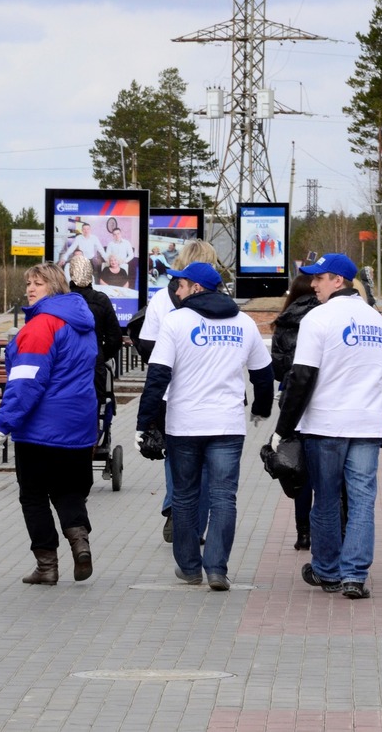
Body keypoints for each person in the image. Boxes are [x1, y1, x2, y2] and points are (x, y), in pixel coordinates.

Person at [136, 262, 273, 591]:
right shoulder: (244, 323)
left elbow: (158, 376)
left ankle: (189, 567)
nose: (177, 292)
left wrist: (144, 423)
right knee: (224, 497)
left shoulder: (176, 322)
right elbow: (263, 374)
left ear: (196, 287)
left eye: (180, 285)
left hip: (184, 424)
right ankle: (216, 569)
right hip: (227, 424)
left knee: (184, 497)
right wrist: (261, 409)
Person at [271, 254, 382, 598]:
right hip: (366, 425)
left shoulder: (318, 318)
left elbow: (302, 376)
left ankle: (327, 570)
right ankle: (355, 575)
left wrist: (283, 429)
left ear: (338, 280)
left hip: (326, 424)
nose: (313, 285)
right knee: (362, 501)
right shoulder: (377, 321)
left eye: (319, 278)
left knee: (325, 499)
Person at [0, 263, 98, 586]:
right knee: (68, 489)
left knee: (33, 495)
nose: (30, 289)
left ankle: (47, 565)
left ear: (54, 286)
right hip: (79, 427)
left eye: (38, 283)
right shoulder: (82, 323)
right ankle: (80, 542)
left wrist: (4, 423)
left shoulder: (41, 326)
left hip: (40, 429)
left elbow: (26, 382)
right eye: (28, 284)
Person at [135, 239, 219, 542]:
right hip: (208, 390)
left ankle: (175, 509)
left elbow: (146, 343)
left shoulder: (161, 299)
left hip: (168, 390)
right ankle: (194, 523)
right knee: (207, 463)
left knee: (175, 455)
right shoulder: (217, 300)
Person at [269, 273, 319, 551]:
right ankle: (333, 527)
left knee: (300, 470)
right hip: (324, 401)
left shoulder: (285, 319)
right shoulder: (326, 315)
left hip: (292, 399)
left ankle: (303, 533)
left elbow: (276, 367)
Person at [68, 256, 122, 411]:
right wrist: (101, 354)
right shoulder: (101, 300)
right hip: (94, 367)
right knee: (93, 416)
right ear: (91, 274)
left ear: (71, 274)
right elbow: (115, 338)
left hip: (67, 368)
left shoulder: (62, 300)